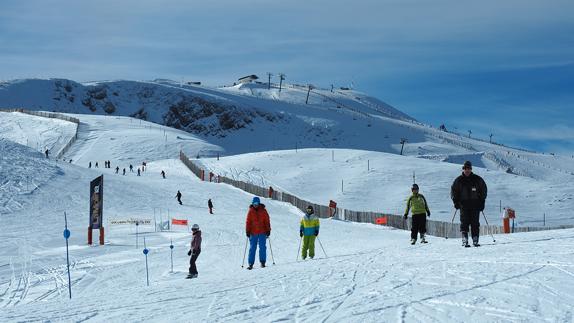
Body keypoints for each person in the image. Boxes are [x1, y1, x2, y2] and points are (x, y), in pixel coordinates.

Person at [451, 161, 488, 247]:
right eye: (465, 169)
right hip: (463, 205)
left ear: (471, 169)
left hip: (475, 205)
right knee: (464, 222)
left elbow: (483, 189)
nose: (467, 170)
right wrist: (455, 202)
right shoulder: (459, 180)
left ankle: (475, 239)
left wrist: (482, 201)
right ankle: (465, 239)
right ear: (463, 169)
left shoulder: (477, 179)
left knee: (475, 223)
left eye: (469, 169)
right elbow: (454, 191)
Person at [245, 196, 271, 270]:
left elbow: (267, 221)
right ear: (252, 203)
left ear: (259, 203)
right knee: (252, 248)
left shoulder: (263, 211)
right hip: (253, 233)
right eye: (254, 203)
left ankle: (262, 262)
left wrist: (268, 230)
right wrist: (247, 230)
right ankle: (251, 263)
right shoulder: (250, 211)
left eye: (257, 203)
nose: (255, 204)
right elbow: (248, 222)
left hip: (262, 232)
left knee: (262, 247)